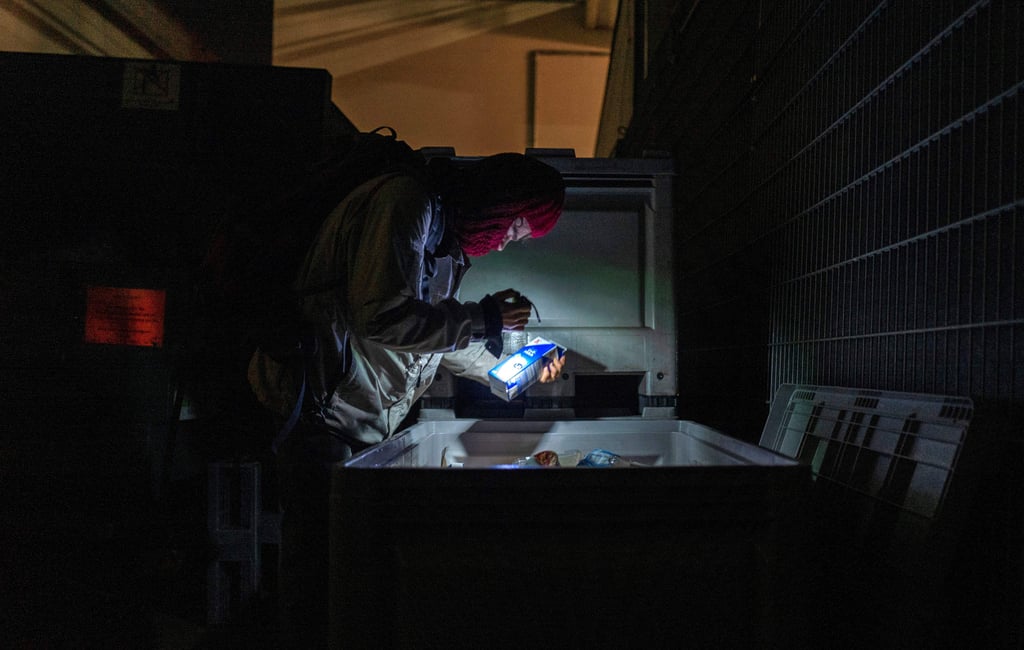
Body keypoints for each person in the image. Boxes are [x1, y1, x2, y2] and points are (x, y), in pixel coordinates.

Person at [246, 151, 567, 647]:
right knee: (318, 560)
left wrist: (517, 373)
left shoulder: (446, 239)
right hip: (319, 406)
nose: (507, 244)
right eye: (517, 229)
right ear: (504, 204)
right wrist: (485, 318)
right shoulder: (406, 203)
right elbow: (382, 317)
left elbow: (435, 340)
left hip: (360, 416)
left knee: (341, 557)